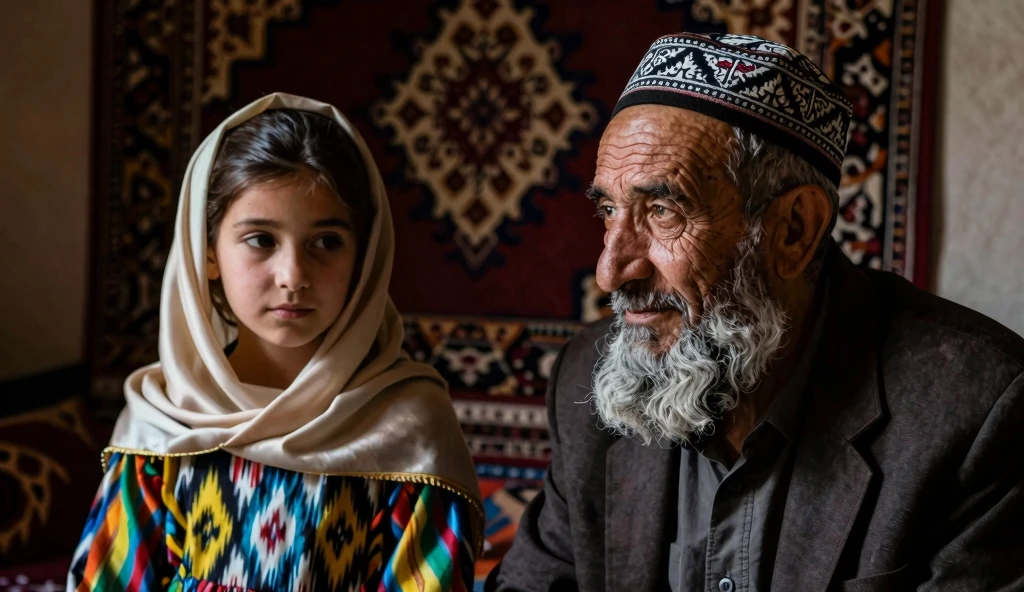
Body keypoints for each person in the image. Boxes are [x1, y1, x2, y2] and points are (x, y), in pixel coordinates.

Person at [491, 33, 1024, 591]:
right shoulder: (590, 380)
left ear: (794, 231)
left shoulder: (976, 410)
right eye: (608, 210)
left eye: (664, 212)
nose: (610, 269)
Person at [68, 93, 481, 591]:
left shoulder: (409, 425)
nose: (293, 275)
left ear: (365, 258)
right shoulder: (162, 426)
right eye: (261, 239)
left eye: (326, 242)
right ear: (208, 254)